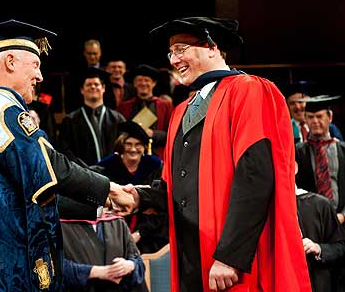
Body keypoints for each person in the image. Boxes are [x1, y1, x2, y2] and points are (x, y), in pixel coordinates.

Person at [0, 19, 134, 292]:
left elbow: (27, 192)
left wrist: (100, 204)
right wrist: (110, 189)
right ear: (10, 61)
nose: (40, 76)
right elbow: (46, 162)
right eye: (35, 65)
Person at [118, 16, 311, 291]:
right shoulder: (180, 111)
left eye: (181, 49)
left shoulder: (249, 90)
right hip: (191, 257)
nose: (174, 60)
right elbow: (177, 187)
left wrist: (229, 257)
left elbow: (255, 178)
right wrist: (139, 196)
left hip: (233, 262)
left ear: (212, 46)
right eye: (171, 52)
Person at [91, 120, 168, 254]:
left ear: (144, 147)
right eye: (129, 144)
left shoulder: (155, 167)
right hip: (112, 234)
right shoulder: (107, 167)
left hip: (149, 236)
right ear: (122, 146)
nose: (133, 149)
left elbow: (160, 204)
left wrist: (140, 233)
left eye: (138, 144)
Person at [59, 195, 148, 292]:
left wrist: (129, 266)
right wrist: (97, 272)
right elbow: (54, 268)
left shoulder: (117, 223)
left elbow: (138, 261)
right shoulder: (58, 228)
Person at [58, 67, 125, 167]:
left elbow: (122, 148)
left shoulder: (118, 119)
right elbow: (65, 151)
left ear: (103, 88)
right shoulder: (70, 120)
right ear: (82, 90)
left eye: (96, 84)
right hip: (83, 176)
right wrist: (84, 170)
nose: (93, 87)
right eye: (89, 84)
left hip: (113, 174)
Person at [295, 95, 345, 225]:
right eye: (310, 117)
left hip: (342, 219)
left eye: (319, 116)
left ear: (330, 117)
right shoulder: (298, 152)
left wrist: (343, 215)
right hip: (312, 222)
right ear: (305, 119)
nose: (315, 121)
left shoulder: (343, 150)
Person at [295, 162, 345, 292]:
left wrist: (319, 249)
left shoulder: (320, 204)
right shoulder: (264, 211)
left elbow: (341, 247)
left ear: (294, 167)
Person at [117, 64, 174, 159]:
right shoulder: (124, 107)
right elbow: (119, 134)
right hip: (131, 155)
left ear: (154, 83)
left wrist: (153, 134)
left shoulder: (165, 106)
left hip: (158, 156)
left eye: (147, 80)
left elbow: (173, 133)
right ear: (134, 83)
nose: (143, 83)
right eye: (139, 80)